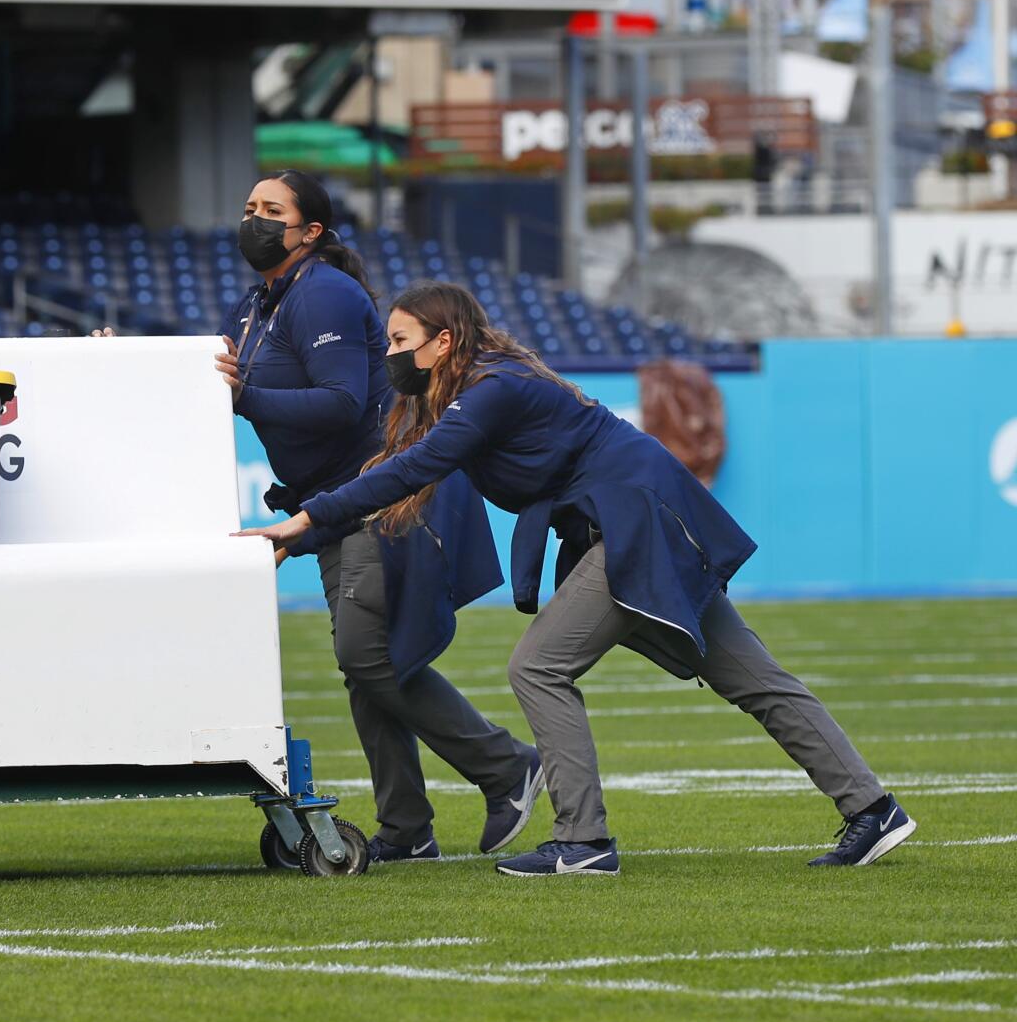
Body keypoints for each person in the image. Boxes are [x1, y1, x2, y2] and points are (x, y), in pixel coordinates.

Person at [238, 282, 915, 876]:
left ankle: (582, 840)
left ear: (444, 342)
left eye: (400, 339)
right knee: (753, 679)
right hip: (639, 517)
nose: (389, 353)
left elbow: (415, 469)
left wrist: (303, 521)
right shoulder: (479, 386)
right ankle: (873, 808)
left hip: (635, 522)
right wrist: (312, 533)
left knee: (539, 666)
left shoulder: (492, 389)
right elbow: (399, 474)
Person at [217, 173, 541, 862]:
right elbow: (218, 378)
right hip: (336, 505)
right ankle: (406, 826)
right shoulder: (259, 303)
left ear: (311, 232)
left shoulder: (323, 292)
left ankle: (506, 766)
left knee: (366, 655)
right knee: (367, 665)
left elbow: (339, 403)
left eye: (272, 211)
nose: (255, 220)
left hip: (381, 495)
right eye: (250, 209)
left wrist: (247, 400)